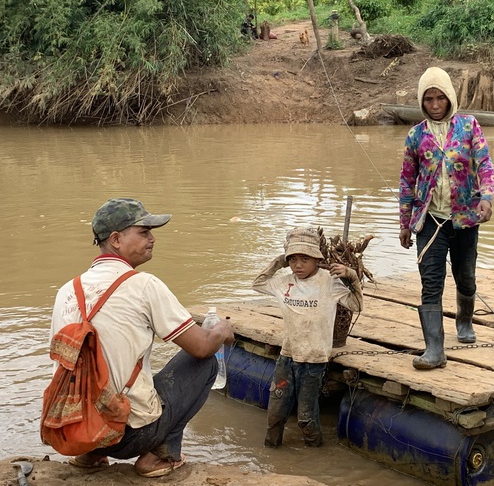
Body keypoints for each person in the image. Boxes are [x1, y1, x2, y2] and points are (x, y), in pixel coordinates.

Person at [51, 198, 234, 477]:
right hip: (128, 437)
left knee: (110, 371)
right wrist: (221, 329)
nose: (152, 239)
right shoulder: (144, 285)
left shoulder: (66, 290)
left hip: (75, 429)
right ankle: (159, 455)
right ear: (115, 239)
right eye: (144, 232)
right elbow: (201, 347)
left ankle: (91, 454)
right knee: (204, 363)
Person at [398, 66, 494, 370]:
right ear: (422, 102)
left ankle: (464, 321)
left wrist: (486, 199)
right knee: (431, 282)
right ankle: (435, 350)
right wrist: (405, 223)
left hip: (464, 219)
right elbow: (406, 181)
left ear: (450, 98)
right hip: (429, 221)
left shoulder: (469, 127)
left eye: (441, 98)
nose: (436, 105)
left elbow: (486, 167)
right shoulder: (416, 135)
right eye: (429, 99)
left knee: (465, 276)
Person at [252, 227, 363, 448]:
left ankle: (314, 449)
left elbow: (356, 305)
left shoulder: (328, 282)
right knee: (275, 413)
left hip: (314, 361)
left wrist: (352, 276)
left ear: (317, 259)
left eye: (305, 259)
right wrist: (277, 263)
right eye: (292, 259)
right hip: (288, 356)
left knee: (305, 416)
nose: (298, 265)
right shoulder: (283, 282)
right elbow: (257, 283)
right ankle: (272, 451)